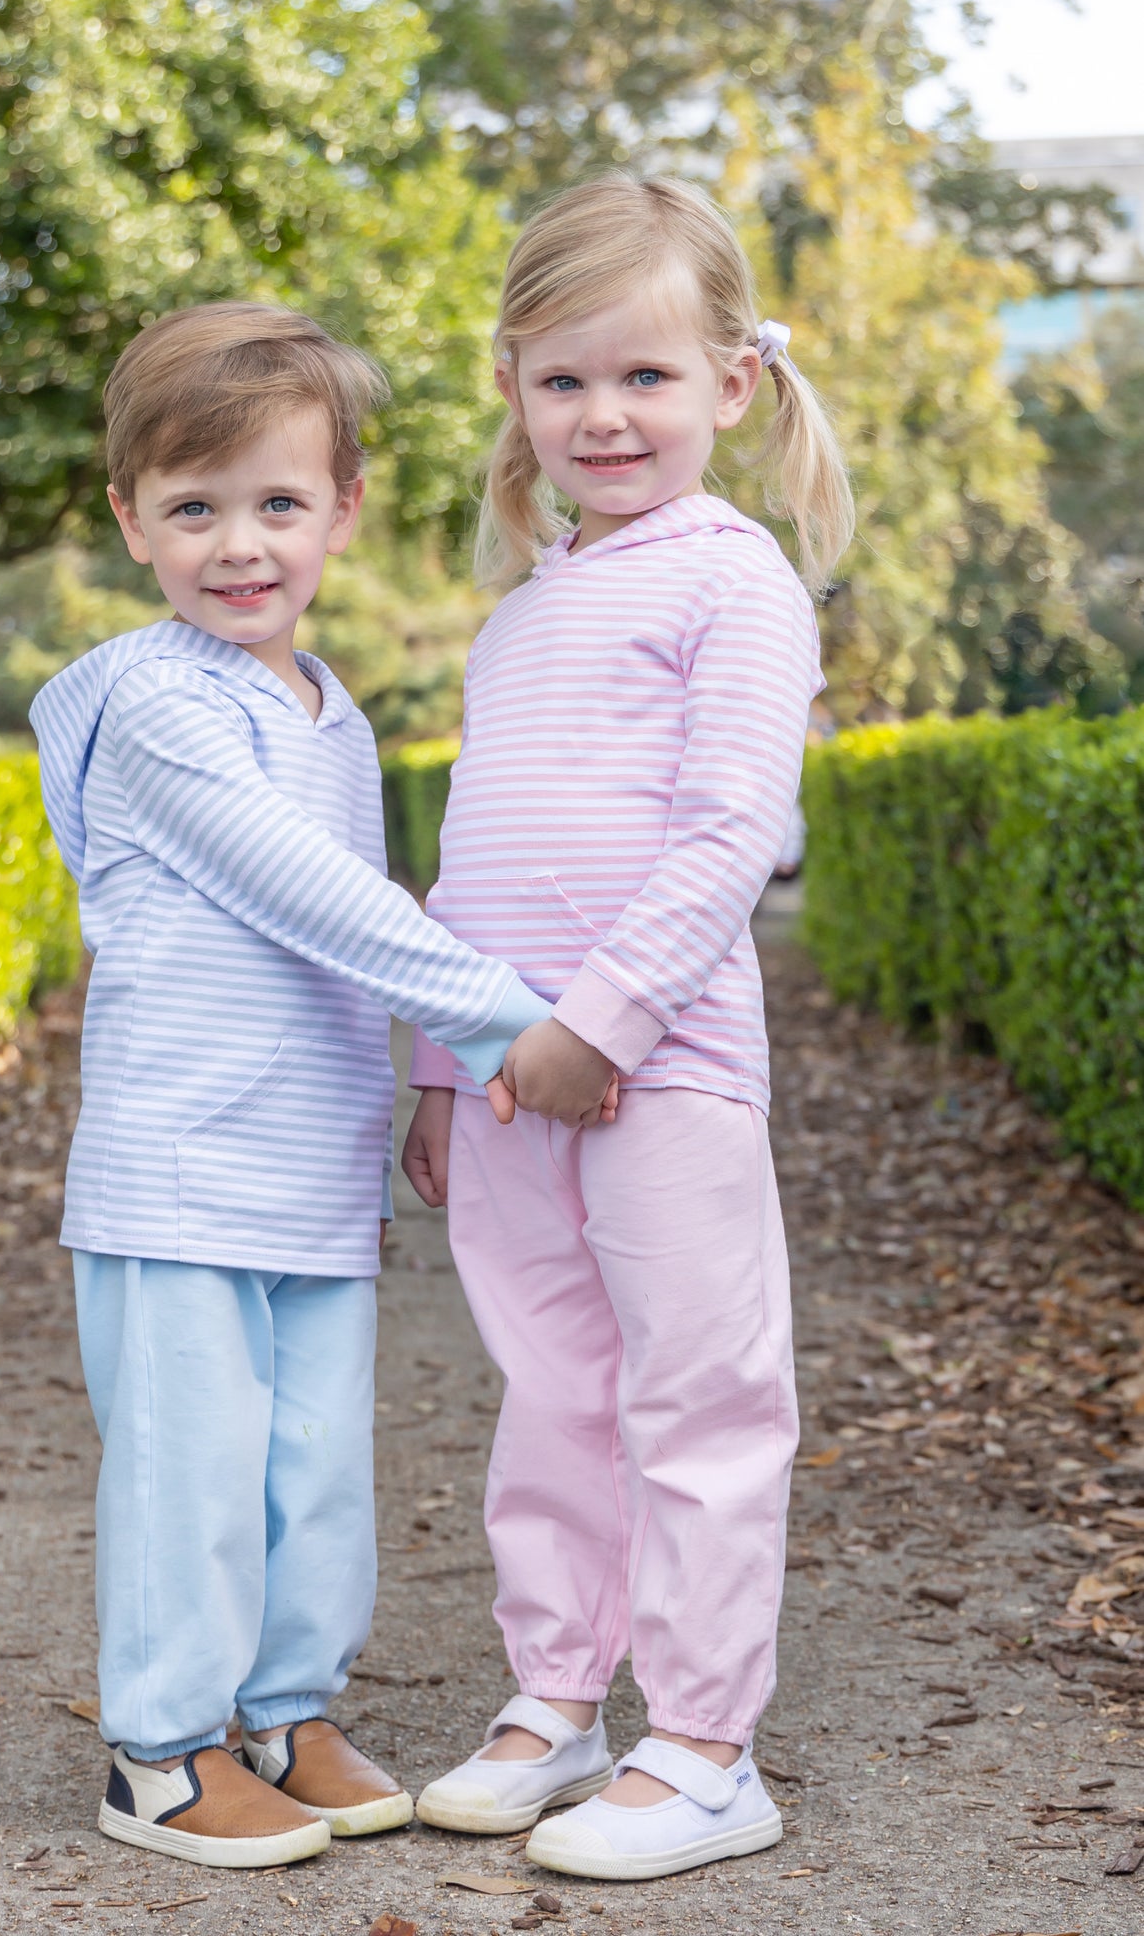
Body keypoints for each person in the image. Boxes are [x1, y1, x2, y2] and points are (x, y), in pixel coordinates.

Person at [29, 302, 590, 1871]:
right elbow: (312, 897)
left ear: (342, 506)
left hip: (307, 1162)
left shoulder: (326, 708)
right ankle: (161, 1747)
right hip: (179, 1167)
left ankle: (283, 1711)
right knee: (189, 1469)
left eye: (278, 503)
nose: (238, 545)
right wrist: (502, 1026)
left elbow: (368, 899)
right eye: (193, 508)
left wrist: (422, 1069)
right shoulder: (155, 703)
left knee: (312, 1470)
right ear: (130, 518)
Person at [401, 175, 854, 1883]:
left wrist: (598, 1024)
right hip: (512, 1084)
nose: (604, 416)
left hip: (655, 1068)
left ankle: (706, 1745)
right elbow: (475, 867)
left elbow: (731, 830)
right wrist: (450, 1067)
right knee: (552, 1392)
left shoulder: (733, 582)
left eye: (646, 378)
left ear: (731, 384)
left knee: (699, 1394)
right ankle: (556, 1702)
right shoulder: (519, 612)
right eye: (565, 380)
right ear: (514, 388)